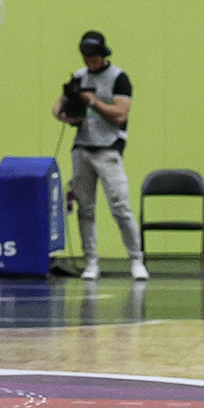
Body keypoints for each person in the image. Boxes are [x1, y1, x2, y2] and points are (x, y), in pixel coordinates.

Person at [53, 31, 144, 281]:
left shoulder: (119, 78)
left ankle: (136, 259)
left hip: (108, 148)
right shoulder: (79, 77)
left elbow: (120, 115)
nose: (90, 62)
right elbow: (57, 107)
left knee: (120, 206)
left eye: (94, 57)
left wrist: (92, 101)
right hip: (82, 147)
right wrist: (67, 115)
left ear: (103, 54)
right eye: (86, 57)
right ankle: (91, 261)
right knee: (85, 208)